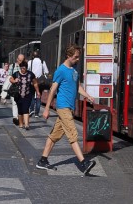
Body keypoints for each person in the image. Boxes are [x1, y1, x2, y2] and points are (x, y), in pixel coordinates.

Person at [36, 44, 97, 176]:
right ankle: (83, 163)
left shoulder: (74, 71)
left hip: (69, 108)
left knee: (55, 135)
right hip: (62, 106)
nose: (77, 59)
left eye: (78, 57)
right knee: (72, 134)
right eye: (75, 57)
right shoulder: (61, 71)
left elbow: (77, 87)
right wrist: (46, 109)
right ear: (68, 56)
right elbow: (52, 89)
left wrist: (88, 96)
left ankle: (42, 160)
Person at [9, 60, 40, 130]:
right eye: (21, 68)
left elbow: (35, 83)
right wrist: (14, 81)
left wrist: (38, 92)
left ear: (26, 68)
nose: (23, 70)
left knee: (26, 109)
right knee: (20, 110)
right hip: (18, 95)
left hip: (28, 94)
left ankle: (26, 125)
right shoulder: (16, 74)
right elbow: (10, 79)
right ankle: (20, 124)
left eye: (24, 68)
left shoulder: (30, 74)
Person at [30, 50, 49, 117]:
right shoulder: (42, 62)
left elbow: (28, 71)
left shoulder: (30, 62)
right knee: (38, 96)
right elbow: (46, 71)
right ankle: (37, 113)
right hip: (40, 82)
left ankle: (31, 109)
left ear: (33, 56)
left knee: (32, 95)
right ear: (39, 55)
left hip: (32, 81)